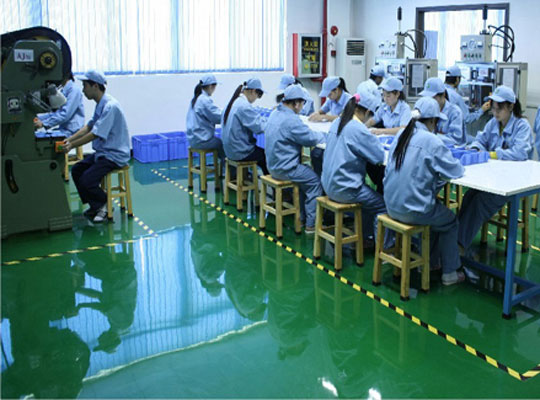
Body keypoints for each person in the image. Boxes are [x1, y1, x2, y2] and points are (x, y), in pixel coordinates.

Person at [383, 97, 466, 285]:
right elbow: (455, 171)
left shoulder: (401, 135)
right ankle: (450, 273)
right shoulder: (431, 141)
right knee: (450, 221)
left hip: (391, 205)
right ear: (433, 121)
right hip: (413, 211)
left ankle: (430, 262)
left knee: (436, 209)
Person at [458, 86, 533, 251]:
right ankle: (455, 240)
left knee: (480, 203)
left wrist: (493, 154)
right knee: (469, 196)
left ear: (511, 106)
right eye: (493, 108)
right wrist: (475, 148)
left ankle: (459, 245)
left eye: (499, 109)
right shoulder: (493, 123)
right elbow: (481, 139)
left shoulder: (522, 126)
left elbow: (520, 152)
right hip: (493, 177)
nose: (495, 112)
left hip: (511, 182)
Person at [322, 90, 390, 245]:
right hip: (345, 189)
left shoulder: (337, 122)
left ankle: (366, 237)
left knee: (368, 197)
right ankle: (384, 249)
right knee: (383, 206)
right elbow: (379, 157)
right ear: (366, 112)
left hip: (328, 184)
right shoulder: (357, 128)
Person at [62, 70, 130, 223]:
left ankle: (105, 204)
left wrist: (72, 145)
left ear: (95, 86)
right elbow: (89, 127)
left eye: (85, 86)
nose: (83, 90)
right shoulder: (101, 104)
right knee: (77, 170)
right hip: (104, 152)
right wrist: (69, 140)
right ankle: (96, 205)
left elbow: (95, 134)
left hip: (114, 155)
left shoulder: (110, 106)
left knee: (87, 179)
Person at [265, 85, 326, 234]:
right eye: (303, 104)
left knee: (306, 176)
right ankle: (311, 224)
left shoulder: (275, 113)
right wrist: (325, 136)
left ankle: (303, 216)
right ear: (296, 103)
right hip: (286, 169)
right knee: (314, 182)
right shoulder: (291, 120)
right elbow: (310, 139)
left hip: (272, 166)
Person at [222, 78, 269, 175]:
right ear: (252, 91)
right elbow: (259, 128)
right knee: (267, 157)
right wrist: (272, 121)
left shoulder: (233, 102)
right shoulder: (244, 106)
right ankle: (271, 183)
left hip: (229, 151)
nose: (257, 98)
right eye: (259, 95)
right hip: (240, 152)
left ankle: (246, 177)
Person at [308, 76, 352, 176]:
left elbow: (345, 118)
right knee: (316, 153)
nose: (328, 97)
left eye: (329, 94)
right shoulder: (331, 99)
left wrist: (325, 117)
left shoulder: (349, 100)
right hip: (332, 133)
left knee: (319, 154)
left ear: (336, 90)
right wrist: (315, 114)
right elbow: (322, 111)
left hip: (343, 135)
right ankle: (320, 179)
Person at [186, 74, 224, 164]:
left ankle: (204, 166)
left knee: (219, 142)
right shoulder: (204, 100)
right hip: (202, 140)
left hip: (193, 139)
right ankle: (229, 170)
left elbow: (211, 112)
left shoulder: (196, 98)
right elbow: (217, 117)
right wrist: (227, 112)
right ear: (211, 86)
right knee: (223, 145)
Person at [444, 65, 491, 138]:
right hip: (456, 135)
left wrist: (466, 107)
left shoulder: (441, 91)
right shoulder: (456, 97)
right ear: (457, 79)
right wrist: (481, 110)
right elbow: (467, 119)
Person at [34, 72, 85, 137]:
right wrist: (38, 118)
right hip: (65, 130)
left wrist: (43, 123)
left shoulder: (74, 90)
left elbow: (64, 114)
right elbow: (56, 113)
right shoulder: (63, 91)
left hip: (73, 133)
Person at [419, 77, 465, 146]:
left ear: (443, 94)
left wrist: (431, 137)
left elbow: (455, 140)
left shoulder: (455, 112)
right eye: (427, 97)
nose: (429, 101)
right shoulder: (426, 110)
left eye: (433, 97)